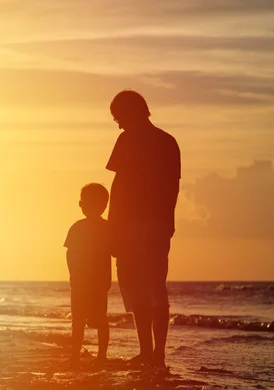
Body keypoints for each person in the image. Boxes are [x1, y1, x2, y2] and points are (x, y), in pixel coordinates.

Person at [106, 90, 180, 368]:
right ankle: (154, 353)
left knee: (138, 287)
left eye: (118, 117)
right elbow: (174, 188)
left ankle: (150, 351)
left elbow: (119, 187)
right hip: (158, 224)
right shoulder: (168, 141)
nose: (118, 123)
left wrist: (113, 227)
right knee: (154, 287)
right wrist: (169, 221)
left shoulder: (127, 140)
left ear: (131, 112)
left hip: (131, 224)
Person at [63, 183, 112, 368]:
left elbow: (70, 254)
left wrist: (72, 274)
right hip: (89, 281)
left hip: (88, 281)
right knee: (95, 318)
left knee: (83, 319)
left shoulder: (81, 227)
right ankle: (96, 355)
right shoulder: (103, 227)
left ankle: (84, 355)